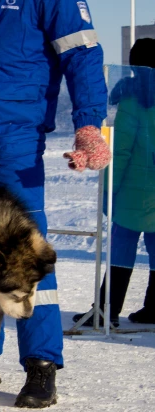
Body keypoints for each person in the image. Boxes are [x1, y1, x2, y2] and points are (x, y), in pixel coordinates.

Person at [0, 0, 110, 408]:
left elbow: (81, 52)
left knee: (25, 254)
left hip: (16, 139)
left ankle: (41, 364)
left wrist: (88, 124)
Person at [74, 38, 155, 327]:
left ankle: (107, 309)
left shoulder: (134, 100)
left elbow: (121, 151)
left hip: (136, 190)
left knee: (122, 247)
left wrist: (111, 189)